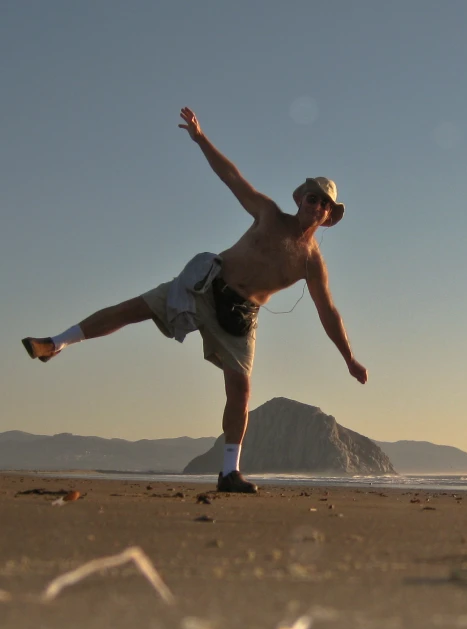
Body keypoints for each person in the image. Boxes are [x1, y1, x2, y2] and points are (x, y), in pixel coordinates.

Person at [21, 107, 368, 493]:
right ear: (300, 198)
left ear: (327, 217)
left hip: (241, 317)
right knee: (134, 309)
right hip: (206, 286)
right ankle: (55, 343)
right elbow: (231, 177)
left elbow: (328, 312)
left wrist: (348, 358)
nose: (315, 205)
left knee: (241, 391)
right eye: (311, 197)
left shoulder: (313, 264)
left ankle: (228, 472)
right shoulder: (268, 214)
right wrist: (201, 139)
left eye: (323, 204)